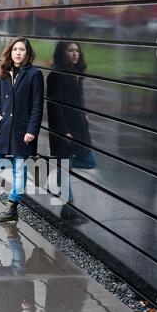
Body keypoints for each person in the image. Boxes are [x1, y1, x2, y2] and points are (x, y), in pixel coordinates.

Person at [0, 37, 44, 223]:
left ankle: (12, 206)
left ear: (28, 53)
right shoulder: (4, 73)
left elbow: (37, 106)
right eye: (15, 49)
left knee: (19, 168)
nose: (18, 52)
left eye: (22, 50)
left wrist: (32, 131)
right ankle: (21, 180)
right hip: (4, 128)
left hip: (23, 131)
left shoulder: (34, 74)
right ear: (10, 51)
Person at [47, 42, 96, 207]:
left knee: (90, 160)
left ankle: (58, 166)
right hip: (65, 127)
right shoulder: (56, 75)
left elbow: (78, 98)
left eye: (77, 51)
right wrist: (63, 131)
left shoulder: (76, 73)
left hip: (78, 125)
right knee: (65, 163)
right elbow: (55, 106)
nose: (75, 54)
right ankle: (69, 204)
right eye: (70, 50)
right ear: (62, 53)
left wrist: (84, 113)